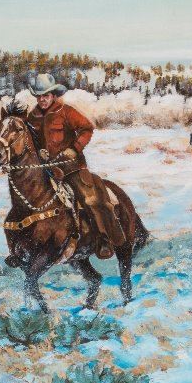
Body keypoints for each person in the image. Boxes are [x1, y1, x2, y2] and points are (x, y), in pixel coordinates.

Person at [27, 73, 126, 258]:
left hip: (71, 168)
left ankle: (103, 240)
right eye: (39, 96)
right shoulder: (32, 117)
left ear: (53, 95)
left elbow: (87, 128)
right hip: (46, 169)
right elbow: (30, 141)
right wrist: (39, 152)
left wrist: (74, 148)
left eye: (45, 95)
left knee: (89, 199)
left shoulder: (66, 111)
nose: (42, 100)